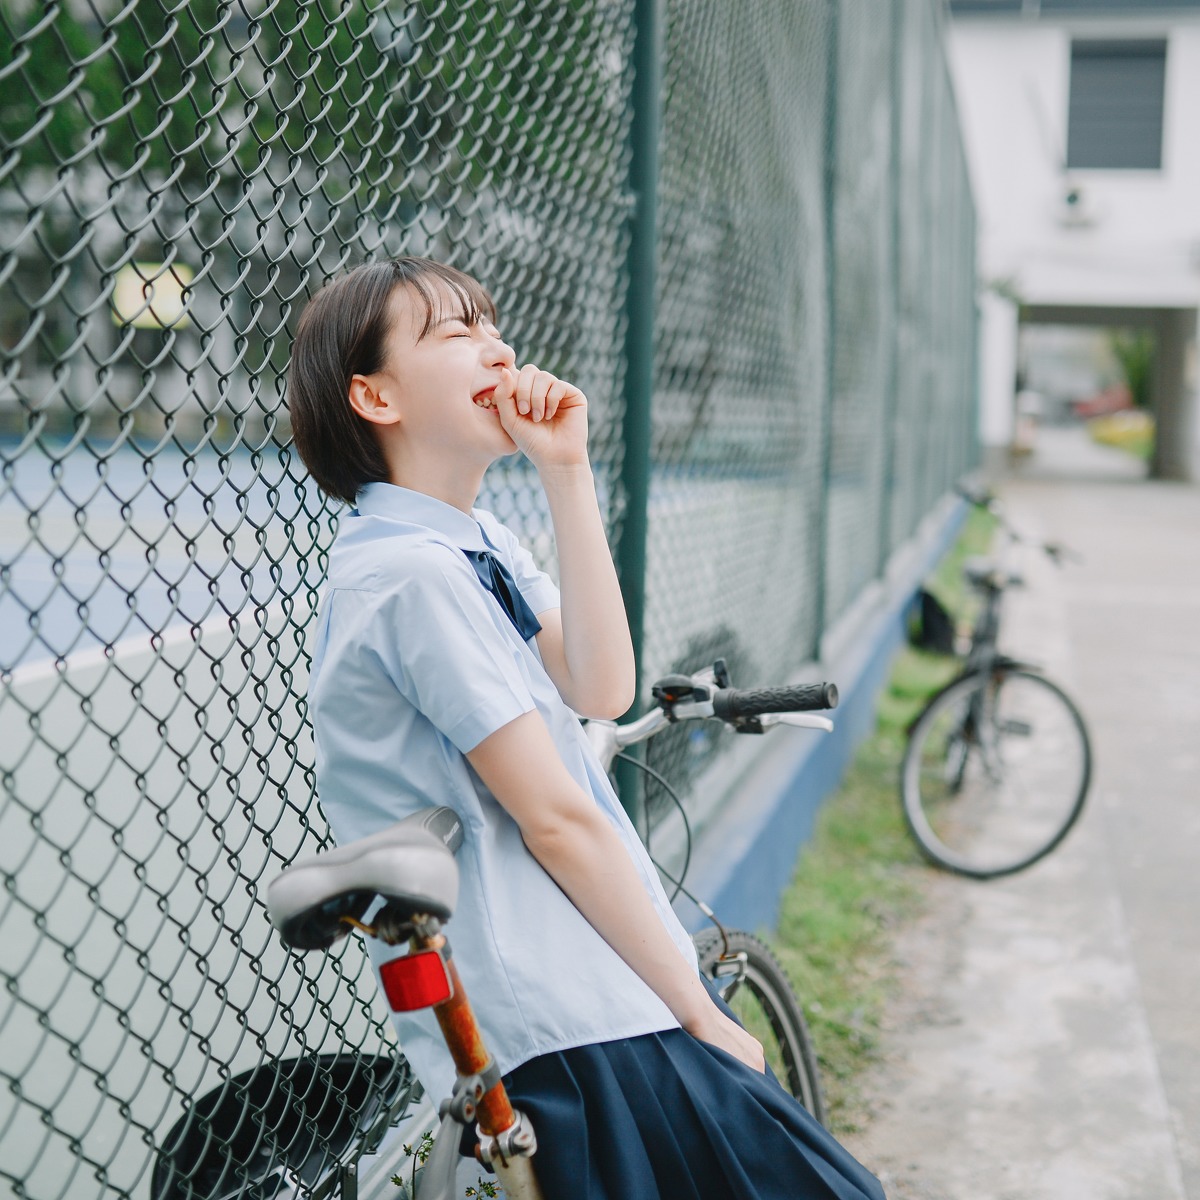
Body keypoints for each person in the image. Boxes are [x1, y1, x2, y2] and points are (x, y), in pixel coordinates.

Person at [287, 256, 886, 1200]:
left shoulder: (472, 542)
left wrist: (566, 472)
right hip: (557, 1014)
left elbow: (602, 687)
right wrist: (698, 1010)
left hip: (588, 991)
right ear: (376, 395)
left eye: (493, 325)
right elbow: (555, 819)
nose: (498, 346)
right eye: (455, 333)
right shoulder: (409, 574)